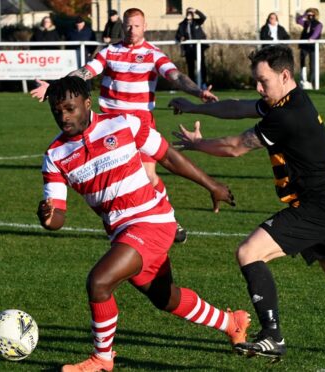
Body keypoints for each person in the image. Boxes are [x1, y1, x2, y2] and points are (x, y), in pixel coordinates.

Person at [168, 45, 325, 362]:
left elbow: (236, 147)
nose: (258, 88)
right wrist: (194, 108)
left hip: (315, 208)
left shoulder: (288, 114)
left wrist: (197, 144)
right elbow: (238, 106)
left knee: (249, 252)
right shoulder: (284, 101)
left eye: (263, 81)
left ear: (284, 75)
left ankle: (272, 336)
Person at [39, 76, 249, 372]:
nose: (64, 117)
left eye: (70, 108)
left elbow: (168, 156)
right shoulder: (55, 156)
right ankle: (232, 322)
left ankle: (102, 360)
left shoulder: (124, 123)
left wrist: (211, 184)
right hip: (122, 232)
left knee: (99, 282)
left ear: (87, 103)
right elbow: (57, 218)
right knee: (166, 298)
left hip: (153, 220)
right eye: (57, 111)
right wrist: (47, 217)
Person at [30, 8, 218, 244]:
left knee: (148, 175)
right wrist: (58, 87)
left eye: (136, 26)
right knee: (109, 181)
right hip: (107, 126)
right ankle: (122, 223)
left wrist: (197, 90)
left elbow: (175, 76)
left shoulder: (152, 54)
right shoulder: (110, 52)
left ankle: (167, 217)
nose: (131, 30)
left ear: (144, 26)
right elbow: (85, 73)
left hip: (141, 122)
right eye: (128, 26)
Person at [175, 7, 209, 88]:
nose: (189, 15)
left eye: (191, 13)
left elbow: (204, 17)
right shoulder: (182, 25)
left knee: (202, 66)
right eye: (188, 13)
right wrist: (181, 38)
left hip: (198, 49)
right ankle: (192, 85)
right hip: (189, 50)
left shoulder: (197, 22)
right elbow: (178, 35)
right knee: (191, 67)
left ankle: (203, 83)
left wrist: (196, 11)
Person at [296, 8, 322, 89]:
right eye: (309, 15)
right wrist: (304, 14)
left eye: (311, 15)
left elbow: (316, 32)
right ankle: (303, 81)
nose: (310, 16)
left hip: (313, 46)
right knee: (303, 63)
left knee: (312, 64)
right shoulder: (306, 23)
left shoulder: (318, 24)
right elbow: (298, 20)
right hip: (304, 46)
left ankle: (311, 82)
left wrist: (312, 38)